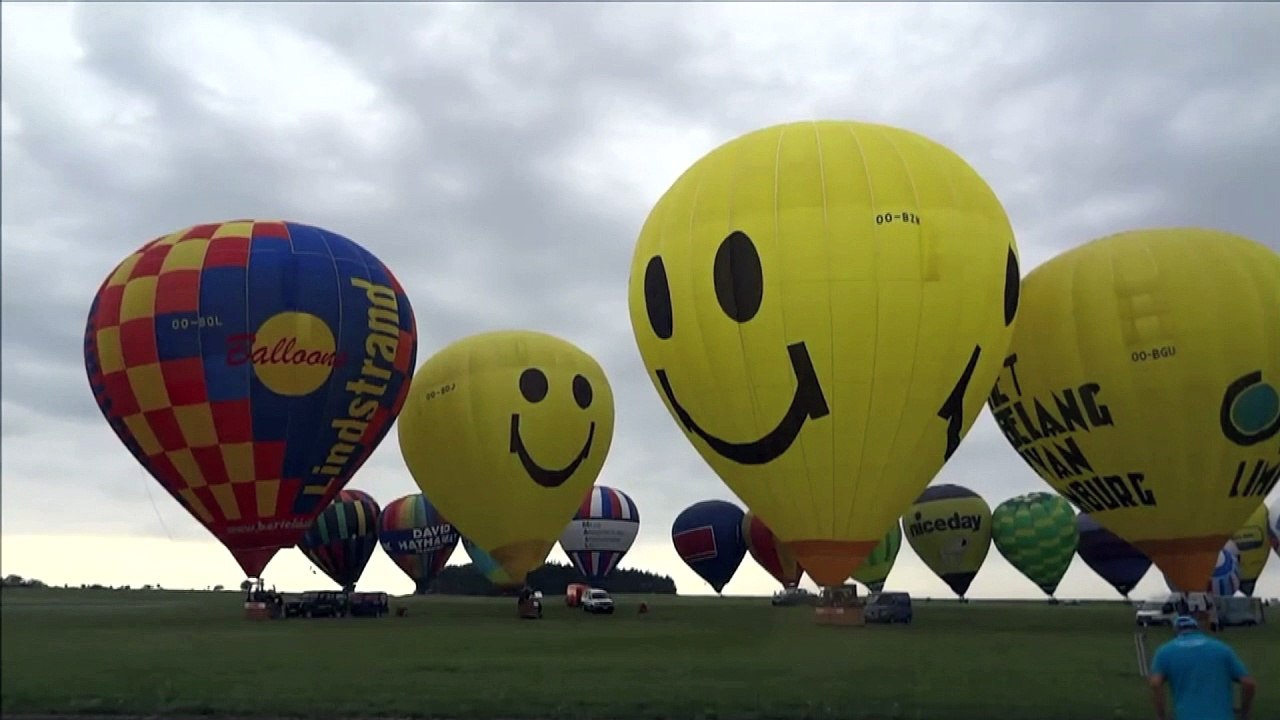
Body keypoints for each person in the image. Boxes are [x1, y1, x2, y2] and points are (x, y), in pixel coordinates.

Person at [1149, 615, 1256, 720]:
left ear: (1176, 631)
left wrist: (1161, 716)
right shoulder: (1222, 649)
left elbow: (1155, 684)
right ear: (1197, 629)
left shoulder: (1164, 652)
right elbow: (1248, 683)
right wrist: (1244, 712)